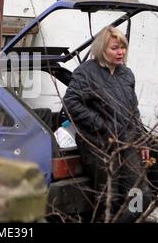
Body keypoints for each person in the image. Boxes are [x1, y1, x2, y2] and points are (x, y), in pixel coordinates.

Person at [63, 26, 151, 222]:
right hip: (98, 144)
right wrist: (102, 125)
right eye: (114, 48)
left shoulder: (126, 74)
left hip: (127, 142)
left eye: (123, 47)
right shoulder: (86, 73)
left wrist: (142, 139)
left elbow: (132, 111)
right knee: (109, 199)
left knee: (139, 196)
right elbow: (71, 103)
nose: (120, 52)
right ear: (102, 49)